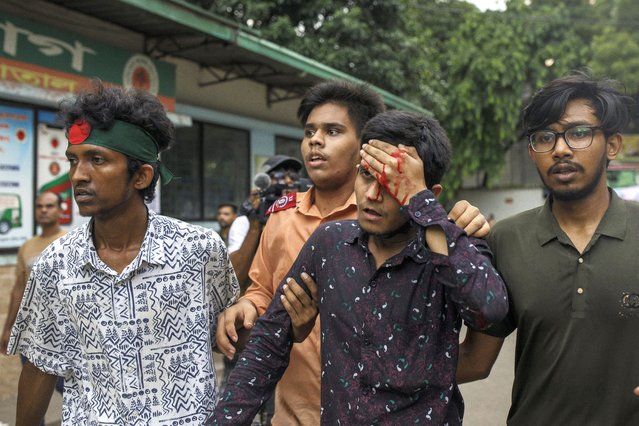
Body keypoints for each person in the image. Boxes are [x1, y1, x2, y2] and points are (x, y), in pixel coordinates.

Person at [216, 80, 491, 425]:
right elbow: (268, 335)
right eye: (309, 130)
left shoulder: (443, 240)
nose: (373, 194)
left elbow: (488, 311)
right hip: (297, 412)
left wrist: (426, 209)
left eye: (332, 131)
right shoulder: (325, 238)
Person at [7, 82, 239, 425]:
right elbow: (42, 366)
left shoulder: (199, 251)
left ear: (142, 176)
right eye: (74, 160)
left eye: (97, 160)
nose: (78, 176)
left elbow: (234, 340)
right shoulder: (55, 265)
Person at [458, 71, 639, 425]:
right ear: (532, 151)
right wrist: (372, 366)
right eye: (544, 137)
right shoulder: (505, 240)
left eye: (579, 133)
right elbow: (474, 361)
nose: (560, 149)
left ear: (613, 145)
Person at [1, 192, 67, 354]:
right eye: (39, 206)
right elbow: (19, 289)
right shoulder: (27, 246)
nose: (43, 210)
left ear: (60, 210)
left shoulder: (70, 242)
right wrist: (8, 328)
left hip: (64, 333)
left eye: (49, 206)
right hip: (31, 332)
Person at [227, 155, 304, 291]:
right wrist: (256, 224)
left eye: (293, 176)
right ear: (264, 183)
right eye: (279, 175)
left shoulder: (307, 215)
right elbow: (234, 277)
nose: (288, 181)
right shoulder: (245, 222)